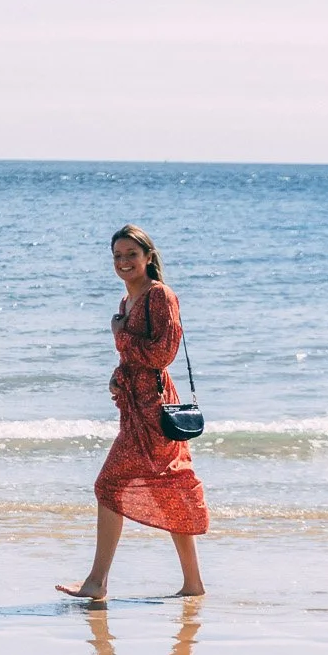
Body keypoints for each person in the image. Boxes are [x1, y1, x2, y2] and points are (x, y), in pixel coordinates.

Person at [56, 225, 209, 600]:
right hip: (134, 408)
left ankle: (98, 582)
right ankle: (193, 585)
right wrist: (117, 376)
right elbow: (135, 357)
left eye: (131, 255)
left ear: (148, 257)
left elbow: (163, 354)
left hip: (155, 410)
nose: (123, 262)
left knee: (109, 485)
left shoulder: (160, 296)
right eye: (117, 256)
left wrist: (119, 334)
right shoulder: (128, 302)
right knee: (170, 488)